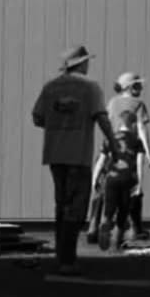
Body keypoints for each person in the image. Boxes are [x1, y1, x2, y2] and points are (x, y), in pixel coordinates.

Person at [32, 45, 118, 276]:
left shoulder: (50, 87)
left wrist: (58, 126)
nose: (89, 64)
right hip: (78, 156)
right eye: (87, 61)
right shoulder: (90, 87)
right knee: (75, 208)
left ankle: (61, 256)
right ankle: (68, 261)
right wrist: (115, 146)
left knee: (61, 205)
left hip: (55, 155)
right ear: (80, 64)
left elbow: (37, 117)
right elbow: (102, 118)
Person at [85, 71, 150, 243]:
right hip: (130, 149)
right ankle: (135, 228)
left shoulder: (112, 103)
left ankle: (93, 226)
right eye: (138, 85)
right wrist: (148, 151)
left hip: (110, 148)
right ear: (131, 87)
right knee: (133, 188)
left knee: (103, 187)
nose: (141, 88)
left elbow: (106, 123)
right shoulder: (138, 104)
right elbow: (141, 129)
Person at [96, 109, 144, 252]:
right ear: (133, 124)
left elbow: (101, 160)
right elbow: (140, 164)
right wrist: (140, 184)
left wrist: (95, 178)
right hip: (127, 179)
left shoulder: (111, 138)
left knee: (109, 210)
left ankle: (105, 224)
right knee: (123, 212)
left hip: (111, 178)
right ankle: (114, 244)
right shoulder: (136, 141)